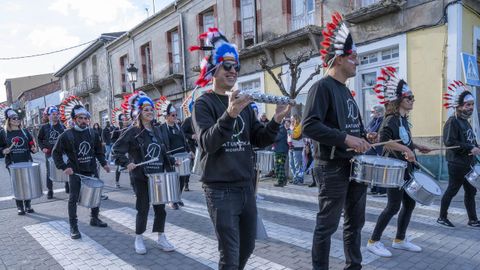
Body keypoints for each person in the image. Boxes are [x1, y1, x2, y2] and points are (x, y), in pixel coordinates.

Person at [190, 28, 290, 269]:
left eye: (237, 66)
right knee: (230, 254)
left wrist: (276, 119)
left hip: (246, 186)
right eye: (227, 66)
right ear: (214, 68)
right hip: (220, 190)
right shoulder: (203, 103)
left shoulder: (244, 102)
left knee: (248, 247)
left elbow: (259, 139)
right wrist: (229, 114)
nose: (233, 71)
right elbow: (208, 143)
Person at [302, 12, 371, 270]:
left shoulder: (346, 91)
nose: (357, 62)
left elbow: (353, 127)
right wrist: (346, 139)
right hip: (331, 167)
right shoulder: (322, 87)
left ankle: (354, 266)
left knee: (356, 222)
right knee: (327, 226)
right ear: (340, 58)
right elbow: (309, 126)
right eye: (353, 57)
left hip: (353, 166)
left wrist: (365, 137)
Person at [366, 66, 431, 257]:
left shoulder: (403, 120)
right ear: (399, 100)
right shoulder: (390, 119)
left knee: (409, 204)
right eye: (409, 97)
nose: (412, 101)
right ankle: (373, 241)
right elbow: (384, 141)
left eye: (413, 98)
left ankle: (399, 239)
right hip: (394, 169)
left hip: (407, 168)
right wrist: (405, 149)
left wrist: (417, 146)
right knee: (393, 206)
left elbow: (404, 141)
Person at [112, 91, 176, 254]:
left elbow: (163, 151)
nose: (149, 112)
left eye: (151, 110)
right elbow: (116, 150)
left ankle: (161, 237)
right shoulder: (132, 131)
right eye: (146, 109)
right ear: (139, 112)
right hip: (141, 177)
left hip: (159, 176)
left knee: (160, 209)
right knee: (143, 208)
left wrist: (171, 161)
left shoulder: (158, 130)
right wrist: (127, 163)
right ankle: (139, 238)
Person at [52, 96, 110, 239]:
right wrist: (64, 167)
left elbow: (98, 151)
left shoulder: (92, 133)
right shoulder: (66, 135)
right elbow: (56, 153)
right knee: (73, 199)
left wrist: (104, 163)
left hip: (91, 170)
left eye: (85, 118)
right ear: (74, 119)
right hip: (76, 173)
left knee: (96, 195)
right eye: (80, 118)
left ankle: (94, 218)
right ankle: (73, 226)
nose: (84, 120)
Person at [438, 81, 480, 228]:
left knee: (471, 191)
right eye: (468, 105)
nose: (471, 107)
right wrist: (470, 148)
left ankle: (473, 220)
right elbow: (450, 142)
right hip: (457, 163)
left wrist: (476, 147)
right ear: (459, 106)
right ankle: (442, 217)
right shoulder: (452, 122)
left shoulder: (465, 122)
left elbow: (471, 141)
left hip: (468, 163)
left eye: (472, 104)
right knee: (452, 190)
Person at [0, 108, 38, 215]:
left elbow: (31, 143)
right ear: (9, 120)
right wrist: (3, 150)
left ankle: (28, 205)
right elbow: (0, 148)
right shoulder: (4, 133)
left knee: (27, 183)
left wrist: (34, 149)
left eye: (18, 118)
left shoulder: (25, 132)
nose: (17, 120)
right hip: (12, 163)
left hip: (26, 160)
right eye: (14, 118)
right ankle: (20, 206)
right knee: (17, 184)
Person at [159, 98, 192, 210]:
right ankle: (171, 200)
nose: (175, 117)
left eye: (176, 115)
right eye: (173, 115)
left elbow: (184, 140)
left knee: (182, 179)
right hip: (170, 158)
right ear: (167, 116)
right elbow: (161, 144)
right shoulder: (161, 128)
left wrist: (189, 151)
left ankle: (178, 197)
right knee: (172, 179)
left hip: (182, 156)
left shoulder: (179, 126)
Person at [37, 106, 66, 199]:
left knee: (65, 168)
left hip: (62, 153)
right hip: (49, 153)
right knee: (49, 172)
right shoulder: (44, 127)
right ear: (48, 116)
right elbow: (39, 139)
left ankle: (67, 185)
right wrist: (42, 148)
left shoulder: (62, 126)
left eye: (57, 114)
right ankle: (50, 190)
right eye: (53, 114)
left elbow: (67, 138)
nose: (55, 116)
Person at [366, 105, 386, 196]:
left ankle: (381, 190)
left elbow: (381, 133)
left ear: (379, 112)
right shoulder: (373, 121)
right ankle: (373, 188)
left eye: (373, 112)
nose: (372, 114)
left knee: (379, 169)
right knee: (372, 169)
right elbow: (368, 130)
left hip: (379, 148)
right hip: (371, 147)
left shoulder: (383, 121)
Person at [110, 109, 130, 189]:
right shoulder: (117, 130)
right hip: (120, 152)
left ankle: (133, 184)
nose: (124, 121)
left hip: (128, 150)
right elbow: (113, 140)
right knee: (118, 168)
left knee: (131, 167)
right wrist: (118, 143)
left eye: (125, 120)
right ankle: (117, 182)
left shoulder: (129, 129)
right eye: (122, 120)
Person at [288, 114, 304, 184]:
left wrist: (290, 131)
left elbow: (295, 135)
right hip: (291, 147)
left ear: (297, 119)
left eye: (293, 119)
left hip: (298, 147)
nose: (291, 120)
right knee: (291, 164)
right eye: (291, 119)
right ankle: (295, 178)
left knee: (298, 165)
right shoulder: (291, 126)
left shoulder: (300, 126)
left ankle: (300, 179)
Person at [273, 119, 289, 187]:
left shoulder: (281, 129)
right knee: (279, 165)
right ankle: (283, 180)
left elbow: (276, 138)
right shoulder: (280, 128)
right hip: (279, 151)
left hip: (281, 151)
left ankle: (281, 181)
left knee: (279, 165)